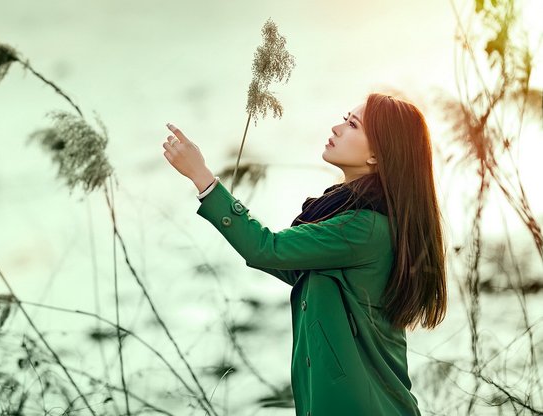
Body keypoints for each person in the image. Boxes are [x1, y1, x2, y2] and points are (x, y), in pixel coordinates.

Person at [161, 92, 447, 415]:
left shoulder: (363, 228)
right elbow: (288, 264)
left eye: (353, 125)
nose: (337, 128)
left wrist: (203, 179)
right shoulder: (351, 217)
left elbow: (266, 249)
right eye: (344, 118)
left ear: (377, 157)